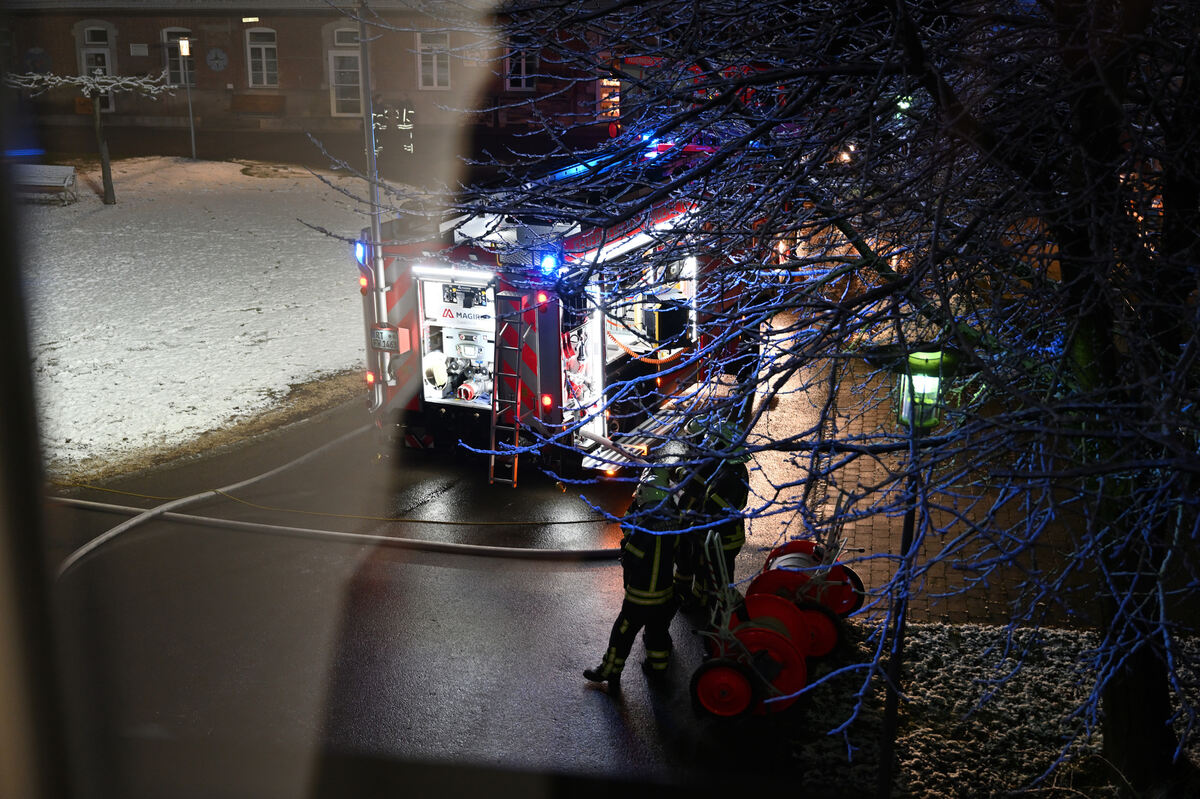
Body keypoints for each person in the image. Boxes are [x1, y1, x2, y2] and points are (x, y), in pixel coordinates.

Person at [583, 444, 686, 688]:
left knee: (623, 632)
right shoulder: (676, 519)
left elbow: (631, 556)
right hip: (664, 592)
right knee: (658, 632)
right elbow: (683, 554)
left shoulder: (644, 527)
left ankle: (610, 670)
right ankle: (658, 668)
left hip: (641, 594)